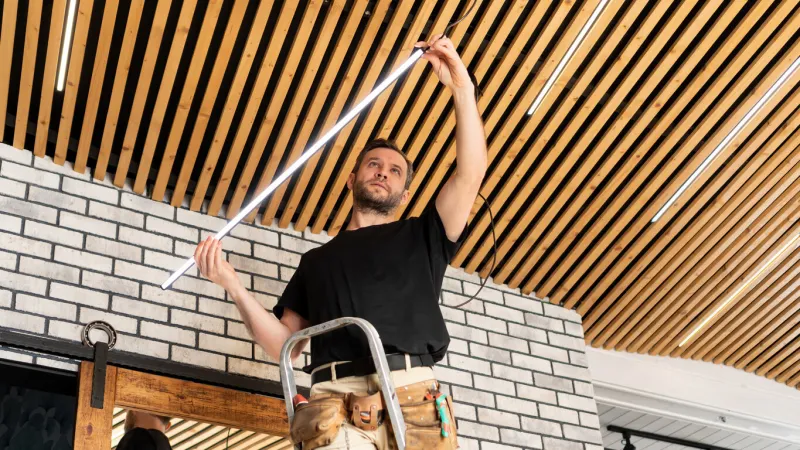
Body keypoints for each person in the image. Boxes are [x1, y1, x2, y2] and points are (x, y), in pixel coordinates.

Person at [195, 34, 486, 449]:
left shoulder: (423, 235)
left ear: (405, 194)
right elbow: (286, 347)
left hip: (413, 393)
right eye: (373, 164)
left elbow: (470, 174)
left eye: (395, 171)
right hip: (333, 399)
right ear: (352, 179)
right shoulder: (317, 261)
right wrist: (233, 286)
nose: (382, 172)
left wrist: (462, 88)